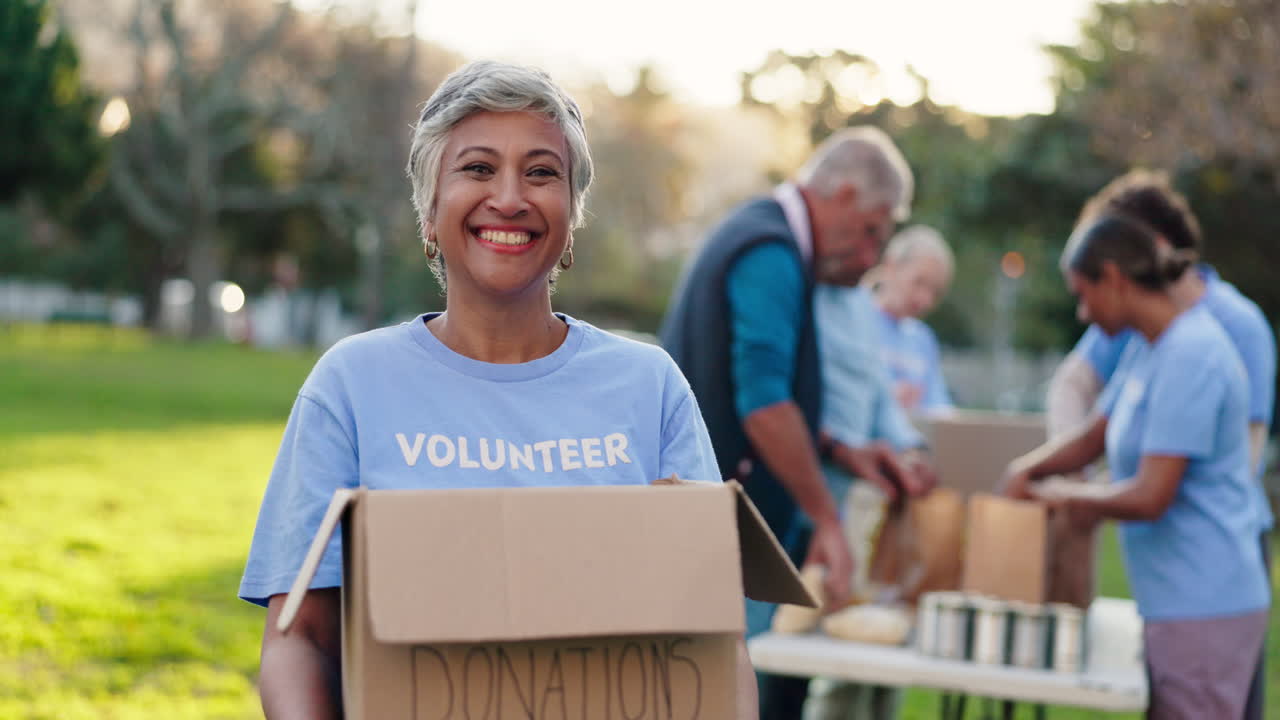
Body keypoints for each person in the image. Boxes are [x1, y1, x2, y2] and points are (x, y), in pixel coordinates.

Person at [237, 61, 745, 719]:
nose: (510, 197)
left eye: (541, 173)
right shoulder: (352, 386)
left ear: (571, 214)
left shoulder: (650, 387)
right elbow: (300, 638)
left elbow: (714, 641)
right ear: (429, 210)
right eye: (477, 169)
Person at [660, 126, 923, 719]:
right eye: (872, 231)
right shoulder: (770, 252)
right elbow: (766, 405)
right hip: (723, 540)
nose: (870, 257)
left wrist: (841, 451)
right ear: (845, 194)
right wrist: (828, 519)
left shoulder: (769, 239)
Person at [1004, 211, 1270, 719]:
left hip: (1205, 604)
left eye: (1083, 293)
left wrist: (1058, 496)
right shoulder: (1152, 349)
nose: (1082, 312)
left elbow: (1152, 495)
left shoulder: (1193, 354)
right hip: (1176, 602)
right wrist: (1026, 469)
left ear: (1116, 279)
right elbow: (1095, 436)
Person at [801, 280, 936, 720]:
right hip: (799, 501)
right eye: (920, 282)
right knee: (793, 655)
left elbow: (879, 396)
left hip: (855, 503)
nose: (924, 298)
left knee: (859, 654)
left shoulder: (857, 307)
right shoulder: (802, 291)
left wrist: (911, 450)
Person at [867, 225, 956, 414]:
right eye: (919, 282)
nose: (925, 299)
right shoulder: (856, 321)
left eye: (936, 292)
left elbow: (940, 407)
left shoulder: (922, 338)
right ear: (891, 266)